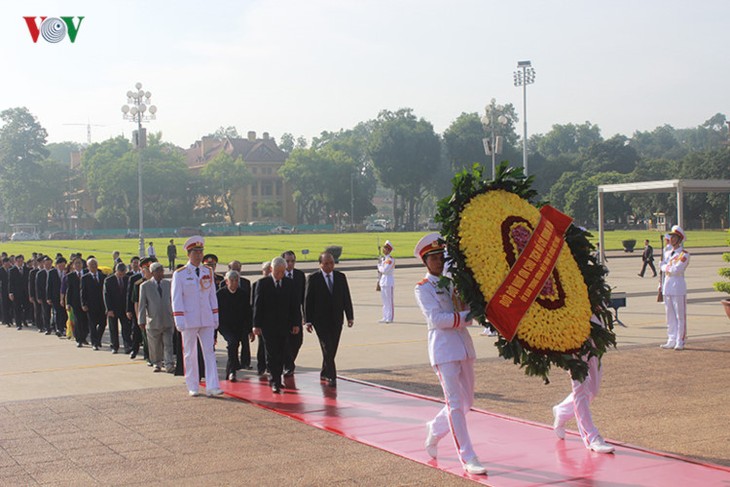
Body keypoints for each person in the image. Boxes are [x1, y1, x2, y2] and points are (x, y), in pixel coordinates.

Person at [413, 233, 487, 476]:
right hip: (444, 349)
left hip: (463, 346)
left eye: (440, 256)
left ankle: (435, 429)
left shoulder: (452, 283)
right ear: (425, 261)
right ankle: (468, 455)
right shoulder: (423, 288)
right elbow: (436, 318)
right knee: (455, 404)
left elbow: (464, 307)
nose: (438, 261)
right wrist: (467, 316)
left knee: (467, 402)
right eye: (433, 258)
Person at [552, 317, 615, 454]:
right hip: (573, 335)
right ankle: (592, 437)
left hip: (594, 333)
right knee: (580, 388)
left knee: (592, 390)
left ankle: (562, 411)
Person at [171, 236, 223, 397]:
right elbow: (176, 298)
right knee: (190, 353)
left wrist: (215, 315)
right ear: (188, 254)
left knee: (209, 351)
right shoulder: (180, 274)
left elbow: (212, 296)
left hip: (206, 317)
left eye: (201, 252)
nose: (199, 255)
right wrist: (179, 319)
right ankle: (192, 385)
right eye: (196, 252)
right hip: (189, 319)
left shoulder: (208, 271)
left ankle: (212, 385)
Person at [304, 252, 354, 388]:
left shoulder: (340, 277)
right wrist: (307, 320)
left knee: (333, 348)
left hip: (337, 319)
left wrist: (350, 316)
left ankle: (325, 371)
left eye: (331, 263)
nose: (329, 266)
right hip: (320, 320)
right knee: (327, 347)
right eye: (326, 263)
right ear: (320, 264)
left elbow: (346, 297)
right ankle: (332, 376)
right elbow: (308, 300)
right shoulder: (313, 278)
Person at [252, 257, 301, 393]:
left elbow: (294, 305)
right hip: (268, 326)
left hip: (284, 325)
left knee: (282, 353)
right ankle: (275, 381)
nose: (280, 275)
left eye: (282, 272)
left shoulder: (289, 284)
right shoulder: (263, 283)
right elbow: (258, 305)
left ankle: (277, 378)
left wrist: (296, 323)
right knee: (271, 354)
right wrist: (256, 325)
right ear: (271, 270)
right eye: (277, 272)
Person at [138, 262, 175, 373]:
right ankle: (157, 363)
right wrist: (141, 320)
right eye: (158, 271)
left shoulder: (168, 284)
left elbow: (173, 301)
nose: (160, 273)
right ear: (152, 273)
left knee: (168, 344)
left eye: (161, 271)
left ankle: (169, 364)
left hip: (167, 319)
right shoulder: (145, 286)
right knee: (155, 345)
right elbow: (142, 305)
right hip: (153, 320)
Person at [217, 270, 253, 382]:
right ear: (226, 282)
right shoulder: (219, 295)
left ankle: (232, 370)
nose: (234, 283)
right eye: (231, 281)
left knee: (236, 345)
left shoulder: (243, 294)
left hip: (240, 325)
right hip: (225, 326)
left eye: (236, 280)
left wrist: (250, 329)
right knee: (232, 343)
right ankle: (232, 371)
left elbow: (248, 313)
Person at [659, 225, 690, 351]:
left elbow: (677, 269)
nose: (671, 239)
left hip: (678, 286)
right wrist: (666, 268)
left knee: (680, 316)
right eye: (670, 237)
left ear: (679, 239)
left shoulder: (684, 254)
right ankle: (671, 338)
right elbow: (661, 267)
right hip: (668, 286)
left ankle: (680, 340)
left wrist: (666, 267)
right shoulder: (667, 253)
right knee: (669, 314)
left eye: (674, 237)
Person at [225, 260, 253, 370]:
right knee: (233, 343)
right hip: (228, 321)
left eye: (238, 269)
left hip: (242, 320)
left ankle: (245, 362)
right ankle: (234, 364)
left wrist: (250, 325)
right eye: (234, 269)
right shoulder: (223, 286)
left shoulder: (245, 283)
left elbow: (248, 306)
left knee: (245, 342)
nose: (236, 271)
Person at [282, 250, 305, 376]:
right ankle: (289, 366)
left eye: (292, 261)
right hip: (283, 315)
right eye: (287, 261)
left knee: (297, 341)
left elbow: (304, 298)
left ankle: (289, 363)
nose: (290, 264)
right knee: (285, 341)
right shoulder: (279, 275)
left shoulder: (299, 275)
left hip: (296, 314)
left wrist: (305, 317)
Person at [103, 263, 130, 354]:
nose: (122, 275)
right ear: (116, 271)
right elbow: (106, 296)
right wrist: (109, 309)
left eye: (123, 273)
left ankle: (127, 346)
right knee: (113, 328)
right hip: (113, 309)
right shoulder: (109, 280)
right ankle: (114, 346)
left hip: (124, 308)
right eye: (120, 273)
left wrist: (128, 309)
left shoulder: (127, 279)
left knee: (126, 328)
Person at [81, 258, 107, 351]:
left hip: (102, 305)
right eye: (91, 265)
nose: (94, 267)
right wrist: (84, 304)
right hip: (91, 306)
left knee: (103, 324)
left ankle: (98, 339)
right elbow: (83, 292)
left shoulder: (103, 276)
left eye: (95, 264)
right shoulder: (85, 278)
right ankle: (94, 343)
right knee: (92, 325)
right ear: (88, 267)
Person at [252, 261, 272, 376]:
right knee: (261, 345)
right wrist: (255, 323)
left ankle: (270, 366)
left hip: (271, 320)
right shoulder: (257, 284)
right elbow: (253, 305)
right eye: (267, 270)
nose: (269, 272)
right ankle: (261, 366)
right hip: (261, 320)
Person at [64, 257, 88, 347]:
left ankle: (84, 337)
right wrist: (68, 303)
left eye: (80, 263)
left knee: (85, 321)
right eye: (76, 263)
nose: (78, 265)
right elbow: (69, 290)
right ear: (73, 266)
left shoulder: (86, 274)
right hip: (75, 302)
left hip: (85, 301)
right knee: (78, 321)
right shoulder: (70, 276)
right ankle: (79, 339)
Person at [46, 256, 68, 337]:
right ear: (57, 265)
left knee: (64, 313)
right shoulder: (52, 272)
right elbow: (49, 285)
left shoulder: (67, 272)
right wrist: (48, 297)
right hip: (55, 296)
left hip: (65, 297)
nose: (62, 267)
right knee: (58, 312)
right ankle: (59, 329)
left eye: (63, 265)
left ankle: (64, 327)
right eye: (60, 265)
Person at [8, 255, 30, 330]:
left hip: (25, 292)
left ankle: (24, 320)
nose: (20, 262)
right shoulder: (12, 270)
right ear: (15, 261)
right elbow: (10, 282)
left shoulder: (27, 270)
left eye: (21, 261)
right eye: (18, 261)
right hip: (16, 293)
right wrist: (10, 292)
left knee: (26, 307)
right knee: (17, 308)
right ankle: (18, 324)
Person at [377, 240, 395, 323]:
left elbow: (384, 270)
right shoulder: (384, 259)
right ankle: (385, 316)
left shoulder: (390, 259)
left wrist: (379, 266)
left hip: (388, 280)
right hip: (383, 281)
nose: (384, 250)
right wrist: (380, 263)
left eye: (385, 248)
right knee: (384, 300)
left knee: (389, 301)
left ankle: (390, 317)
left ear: (389, 250)